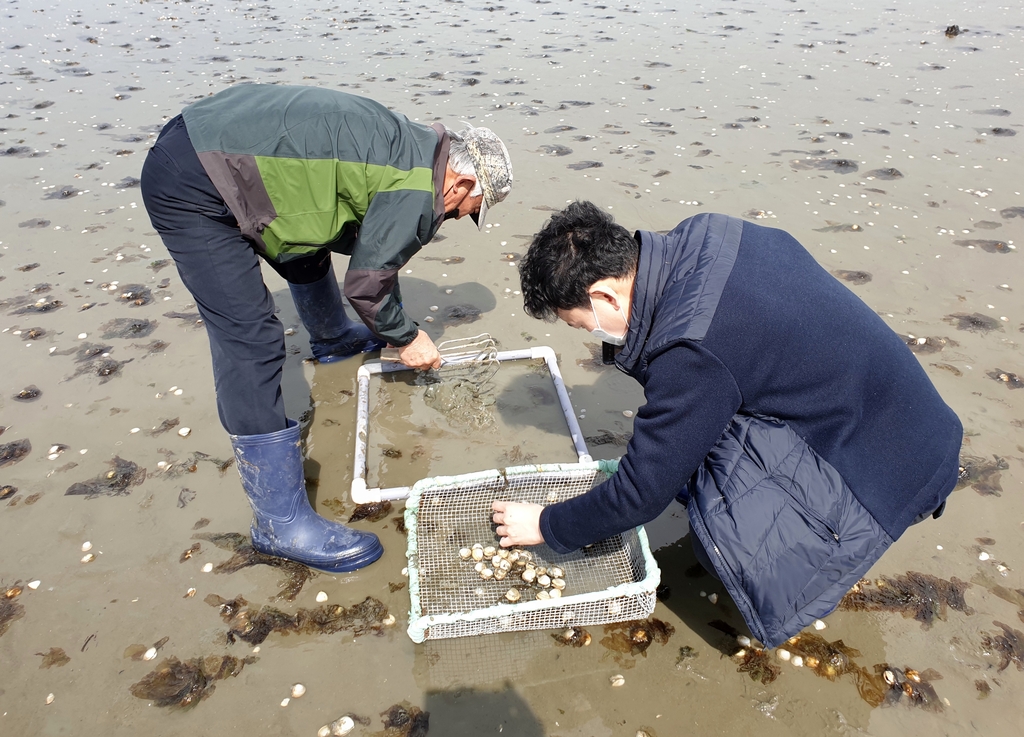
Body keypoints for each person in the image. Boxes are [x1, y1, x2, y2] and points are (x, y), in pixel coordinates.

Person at [494, 200, 962, 648]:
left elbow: (640, 495)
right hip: (904, 412)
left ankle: (811, 567)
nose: (589, 334)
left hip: (889, 467)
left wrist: (548, 524)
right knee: (698, 439)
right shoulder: (705, 234)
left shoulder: (691, 353)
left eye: (580, 324)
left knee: (723, 541)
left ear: (603, 295)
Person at [141, 84, 513, 574]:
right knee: (251, 342)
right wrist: (407, 337)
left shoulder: (417, 146)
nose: (458, 217)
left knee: (313, 225)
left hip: (211, 134)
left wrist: (389, 319)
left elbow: (375, 252)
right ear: (461, 184)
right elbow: (367, 282)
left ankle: (332, 337)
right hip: (197, 181)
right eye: (468, 211)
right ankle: (279, 523)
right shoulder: (417, 189)